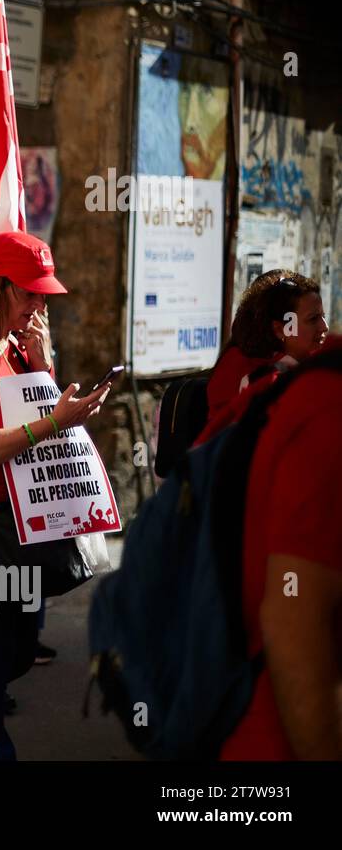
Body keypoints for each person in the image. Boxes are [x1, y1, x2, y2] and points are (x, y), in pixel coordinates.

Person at [0, 231, 109, 761]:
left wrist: (43, 368)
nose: (39, 305)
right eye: (30, 293)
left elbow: (36, 414)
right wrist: (55, 422)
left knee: (16, 653)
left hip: (16, 522)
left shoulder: (8, 348)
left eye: (42, 295)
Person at [221, 335, 342, 760]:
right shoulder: (327, 409)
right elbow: (292, 621)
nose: (323, 328)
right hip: (277, 739)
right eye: (311, 319)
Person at [199, 270, 328, 442]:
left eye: (323, 317)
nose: (324, 327)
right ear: (279, 329)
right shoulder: (257, 376)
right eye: (313, 319)